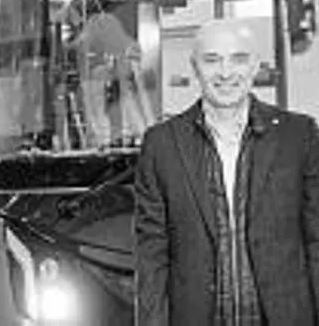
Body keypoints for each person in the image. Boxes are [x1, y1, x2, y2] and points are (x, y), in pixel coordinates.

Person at [134, 18, 319, 325]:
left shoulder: (298, 135)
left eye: (238, 59)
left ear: (255, 65)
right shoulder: (161, 144)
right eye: (212, 60)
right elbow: (151, 252)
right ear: (195, 67)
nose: (225, 72)